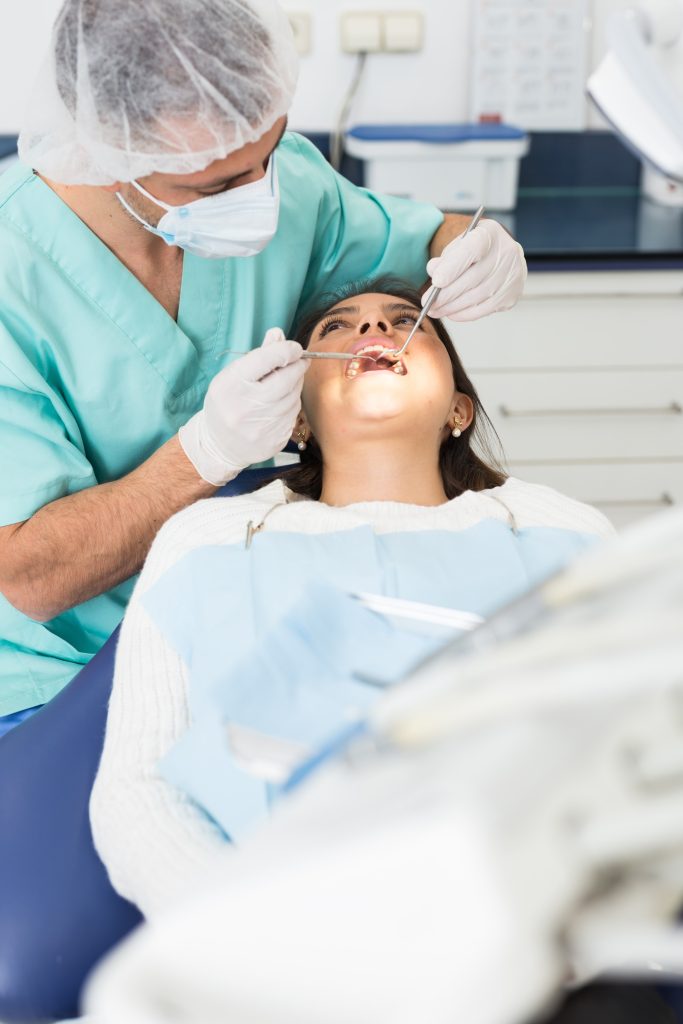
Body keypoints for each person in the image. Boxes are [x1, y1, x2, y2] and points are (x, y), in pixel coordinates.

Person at [0, 0, 528, 727]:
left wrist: (467, 247)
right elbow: (26, 575)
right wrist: (204, 454)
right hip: (60, 678)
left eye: (268, 154)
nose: (258, 197)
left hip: (242, 631)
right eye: (214, 187)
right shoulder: (14, 271)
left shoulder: (528, 532)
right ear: (108, 154)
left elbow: (415, 240)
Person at [90, 278, 614, 920]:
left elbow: (628, 752)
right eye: (337, 327)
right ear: (298, 419)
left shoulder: (561, 531)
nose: (373, 332)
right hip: (271, 940)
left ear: (460, 409)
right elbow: (137, 793)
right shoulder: (210, 540)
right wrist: (252, 938)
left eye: (405, 321)